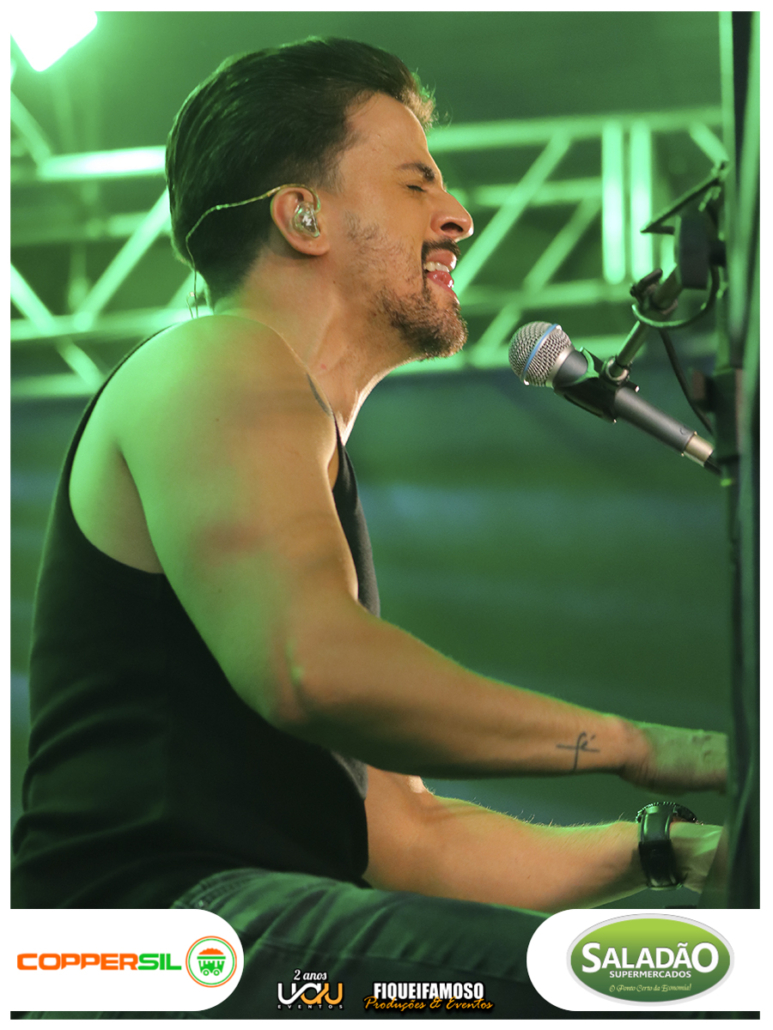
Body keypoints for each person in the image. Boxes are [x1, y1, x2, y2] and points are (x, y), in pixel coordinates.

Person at [13, 37, 726, 1018]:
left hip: (249, 934)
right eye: (414, 182)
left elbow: (409, 840)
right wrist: (639, 746)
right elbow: (314, 668)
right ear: (301, 215)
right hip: (150, 946)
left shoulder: (291, 454)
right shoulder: (215, 358)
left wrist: (668, 847)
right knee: (659, 991)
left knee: (683, 973)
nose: (459, 215)